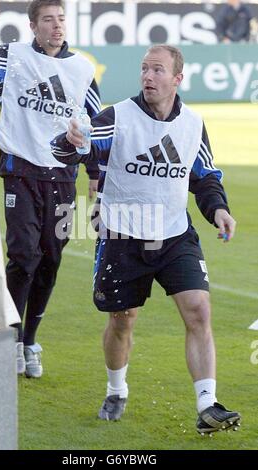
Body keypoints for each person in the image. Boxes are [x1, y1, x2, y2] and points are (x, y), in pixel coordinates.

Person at [50, 44, 241, 434]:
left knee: (199, 311)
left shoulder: (192, 123)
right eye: (144, 69)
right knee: (123, 322)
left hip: (173, 235)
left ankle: (208, 405)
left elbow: (203, 175)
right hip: (123, 235)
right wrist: (72, 142)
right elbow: (78, 149)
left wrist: (217, 209)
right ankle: (116, 388)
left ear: (177, 78)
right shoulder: (117, 116)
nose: (148, 77)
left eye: (158, 70)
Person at [0, 0, 100, 378]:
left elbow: (93, 127)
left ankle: (30, 341)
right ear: (33, 25)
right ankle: (13, 338)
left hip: (62, 177)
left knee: (50, 258)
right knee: (23, 255)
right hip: (20, 171)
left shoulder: (82, 68)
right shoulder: (14, 58)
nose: (57, 27)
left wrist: (89, 159)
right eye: (48, 21)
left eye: (61, 20)